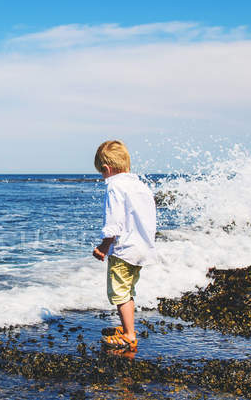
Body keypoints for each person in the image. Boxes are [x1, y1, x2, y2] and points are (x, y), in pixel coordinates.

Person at [92, 140, 157, 351]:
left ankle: (129, 334)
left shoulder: (114, 186)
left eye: (101, 173)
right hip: (142, 247)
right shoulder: (139, 185)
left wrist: (104, 246)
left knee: (120, 293)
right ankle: (127, 327)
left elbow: (114, 222)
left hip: (124, 249)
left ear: (106, 169)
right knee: (128, 289)